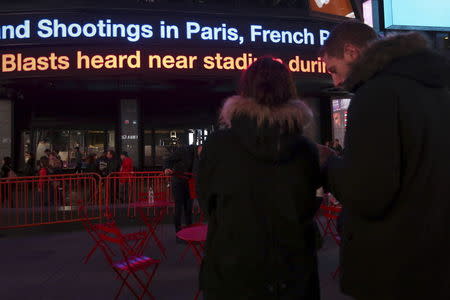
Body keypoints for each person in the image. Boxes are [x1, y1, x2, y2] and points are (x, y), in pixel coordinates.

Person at [321, 21, 450, 300]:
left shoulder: (376, 95)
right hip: (436, 261)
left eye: (334, 69)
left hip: (393, 266)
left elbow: (367, 193)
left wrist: (329, 164)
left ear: (352, 52)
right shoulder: (436, 90)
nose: (335, 81)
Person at [198, 57, 321, 299]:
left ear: (244, 90)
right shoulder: (306, 149)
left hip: (232, 270)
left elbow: (207, 203)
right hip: (293, 273)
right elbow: (310, 204)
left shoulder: (218, 145)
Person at [164, 145, 201, 233]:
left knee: (189, 207)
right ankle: (178, 231)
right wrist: (166, 169)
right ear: (200, 147)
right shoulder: (184, 150)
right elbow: (168, 160)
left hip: (190, 182)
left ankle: (189, 229)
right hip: (178, 181)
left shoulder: (200, 157)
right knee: (178, 207)